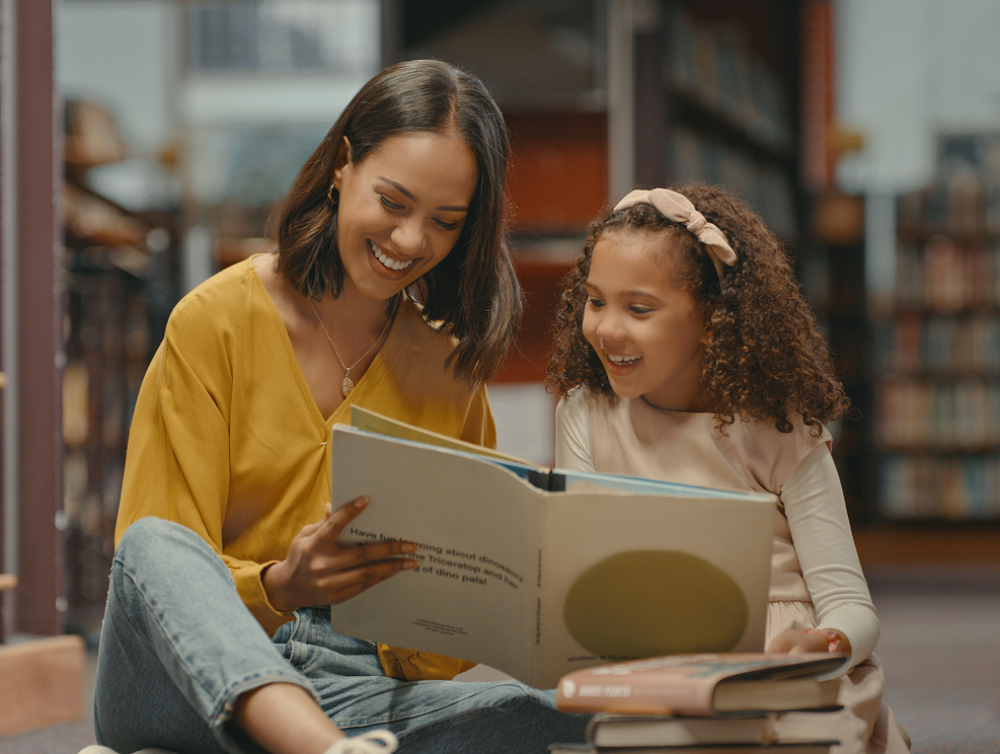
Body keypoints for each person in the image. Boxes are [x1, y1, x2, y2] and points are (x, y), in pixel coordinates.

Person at [93, 60, 588, 754]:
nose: (411, 241)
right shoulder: (214, 322)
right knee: (153, 543)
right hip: (182, 684)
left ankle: (311, 743)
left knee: (557, 711)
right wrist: (281, 586)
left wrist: (480, 607)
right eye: (392, 202)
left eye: (445, 222)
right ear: (343, 164)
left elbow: (437, 654)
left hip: (357, 691)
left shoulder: (449, 373)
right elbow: (156, 583)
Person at [547, 185, 910, 754]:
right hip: (654, 664)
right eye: (595, 301)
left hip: (780, 667)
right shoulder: (585, 415)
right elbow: (583, 577)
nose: (607, 329)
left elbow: (851, 605)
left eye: (639, 308)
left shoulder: (780, 428)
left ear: (713, 320)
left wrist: (828, 643)